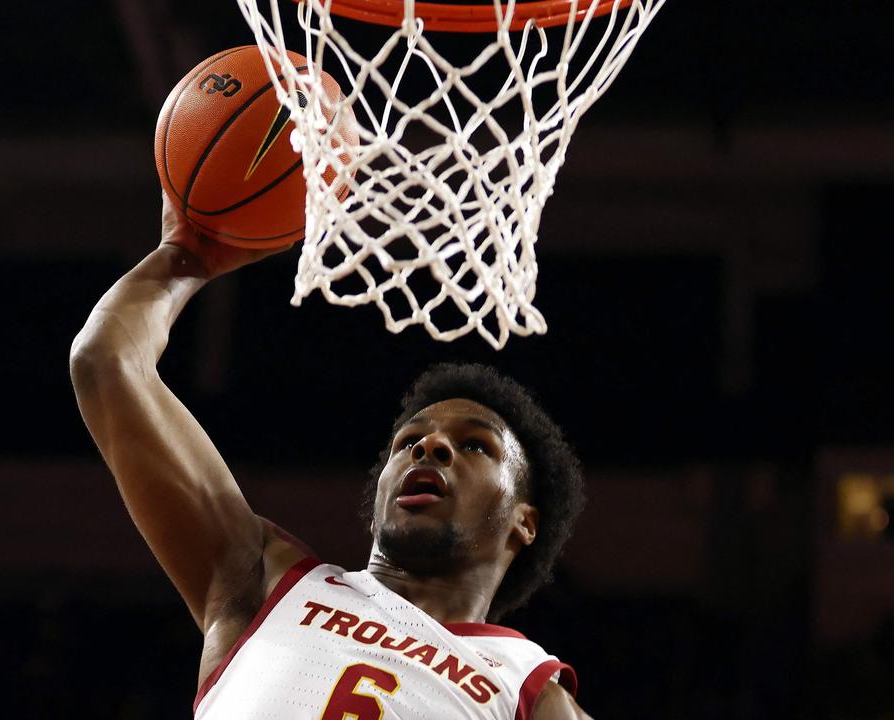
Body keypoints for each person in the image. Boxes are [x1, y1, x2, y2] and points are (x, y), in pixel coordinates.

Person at [69, 194, 591, 719]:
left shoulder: (526, 685)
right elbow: (108, 363)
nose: (429, 447)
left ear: (525, 522)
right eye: (407, 441)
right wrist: (183, 258)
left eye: (476, 444)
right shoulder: (262, 581)